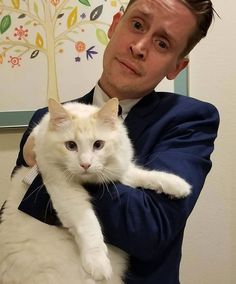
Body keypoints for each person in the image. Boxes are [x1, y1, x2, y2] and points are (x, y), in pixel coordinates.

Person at [14, 0, 219, 283]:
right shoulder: (48, 119)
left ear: (177, 67)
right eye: (137, 25)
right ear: (114, 26)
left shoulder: (190, 120)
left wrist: (55, 172)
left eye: (162, 44)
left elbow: (148, 228)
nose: (139, 47)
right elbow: (21, 208)